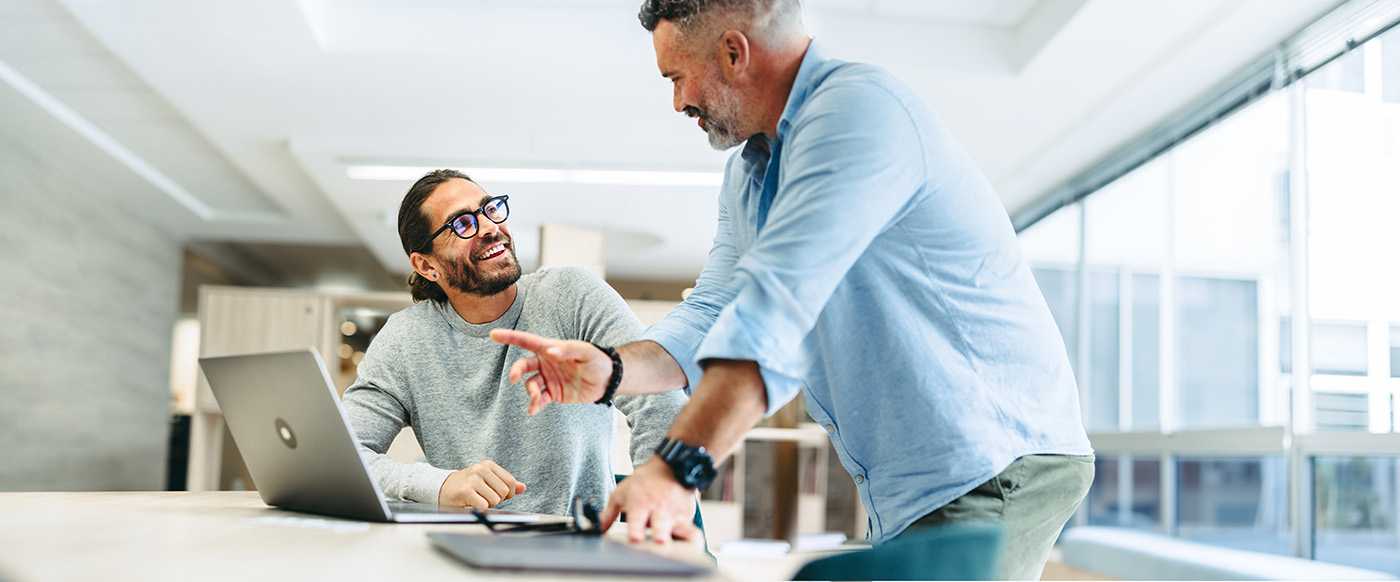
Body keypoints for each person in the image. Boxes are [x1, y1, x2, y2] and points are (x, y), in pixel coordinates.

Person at [492, 1, 1093, 578]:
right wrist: (613, 369)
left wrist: (675, 471)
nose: (678, 102)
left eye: (677, 77)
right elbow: (713, 311)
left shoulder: (857, 113)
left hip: (995, 460)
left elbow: (771, 312)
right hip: (921, 482)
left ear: (734, 52)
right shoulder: (751, 172)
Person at [342, 169, 686, 516]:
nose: (491, 227)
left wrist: (657, 503)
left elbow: (659, 399)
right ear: (426, 265)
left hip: (574, 547)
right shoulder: (404, 340)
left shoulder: (572, 295)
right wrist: (439, 485)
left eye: (489, 209)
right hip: (466, 548)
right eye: (462, 224)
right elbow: (342, 456)